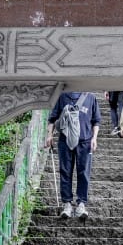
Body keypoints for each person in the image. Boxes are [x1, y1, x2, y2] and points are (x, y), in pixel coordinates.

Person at [45, 90, 101, 219]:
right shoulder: (63, 96)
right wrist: (49, 135)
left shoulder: (90, 97)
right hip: (65, 140)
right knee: (65, 171)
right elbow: (52, 118)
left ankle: (81, 204)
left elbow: (96, 120)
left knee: (84, 172)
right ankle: (67, 204)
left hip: (85, 141)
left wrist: (94, 138)